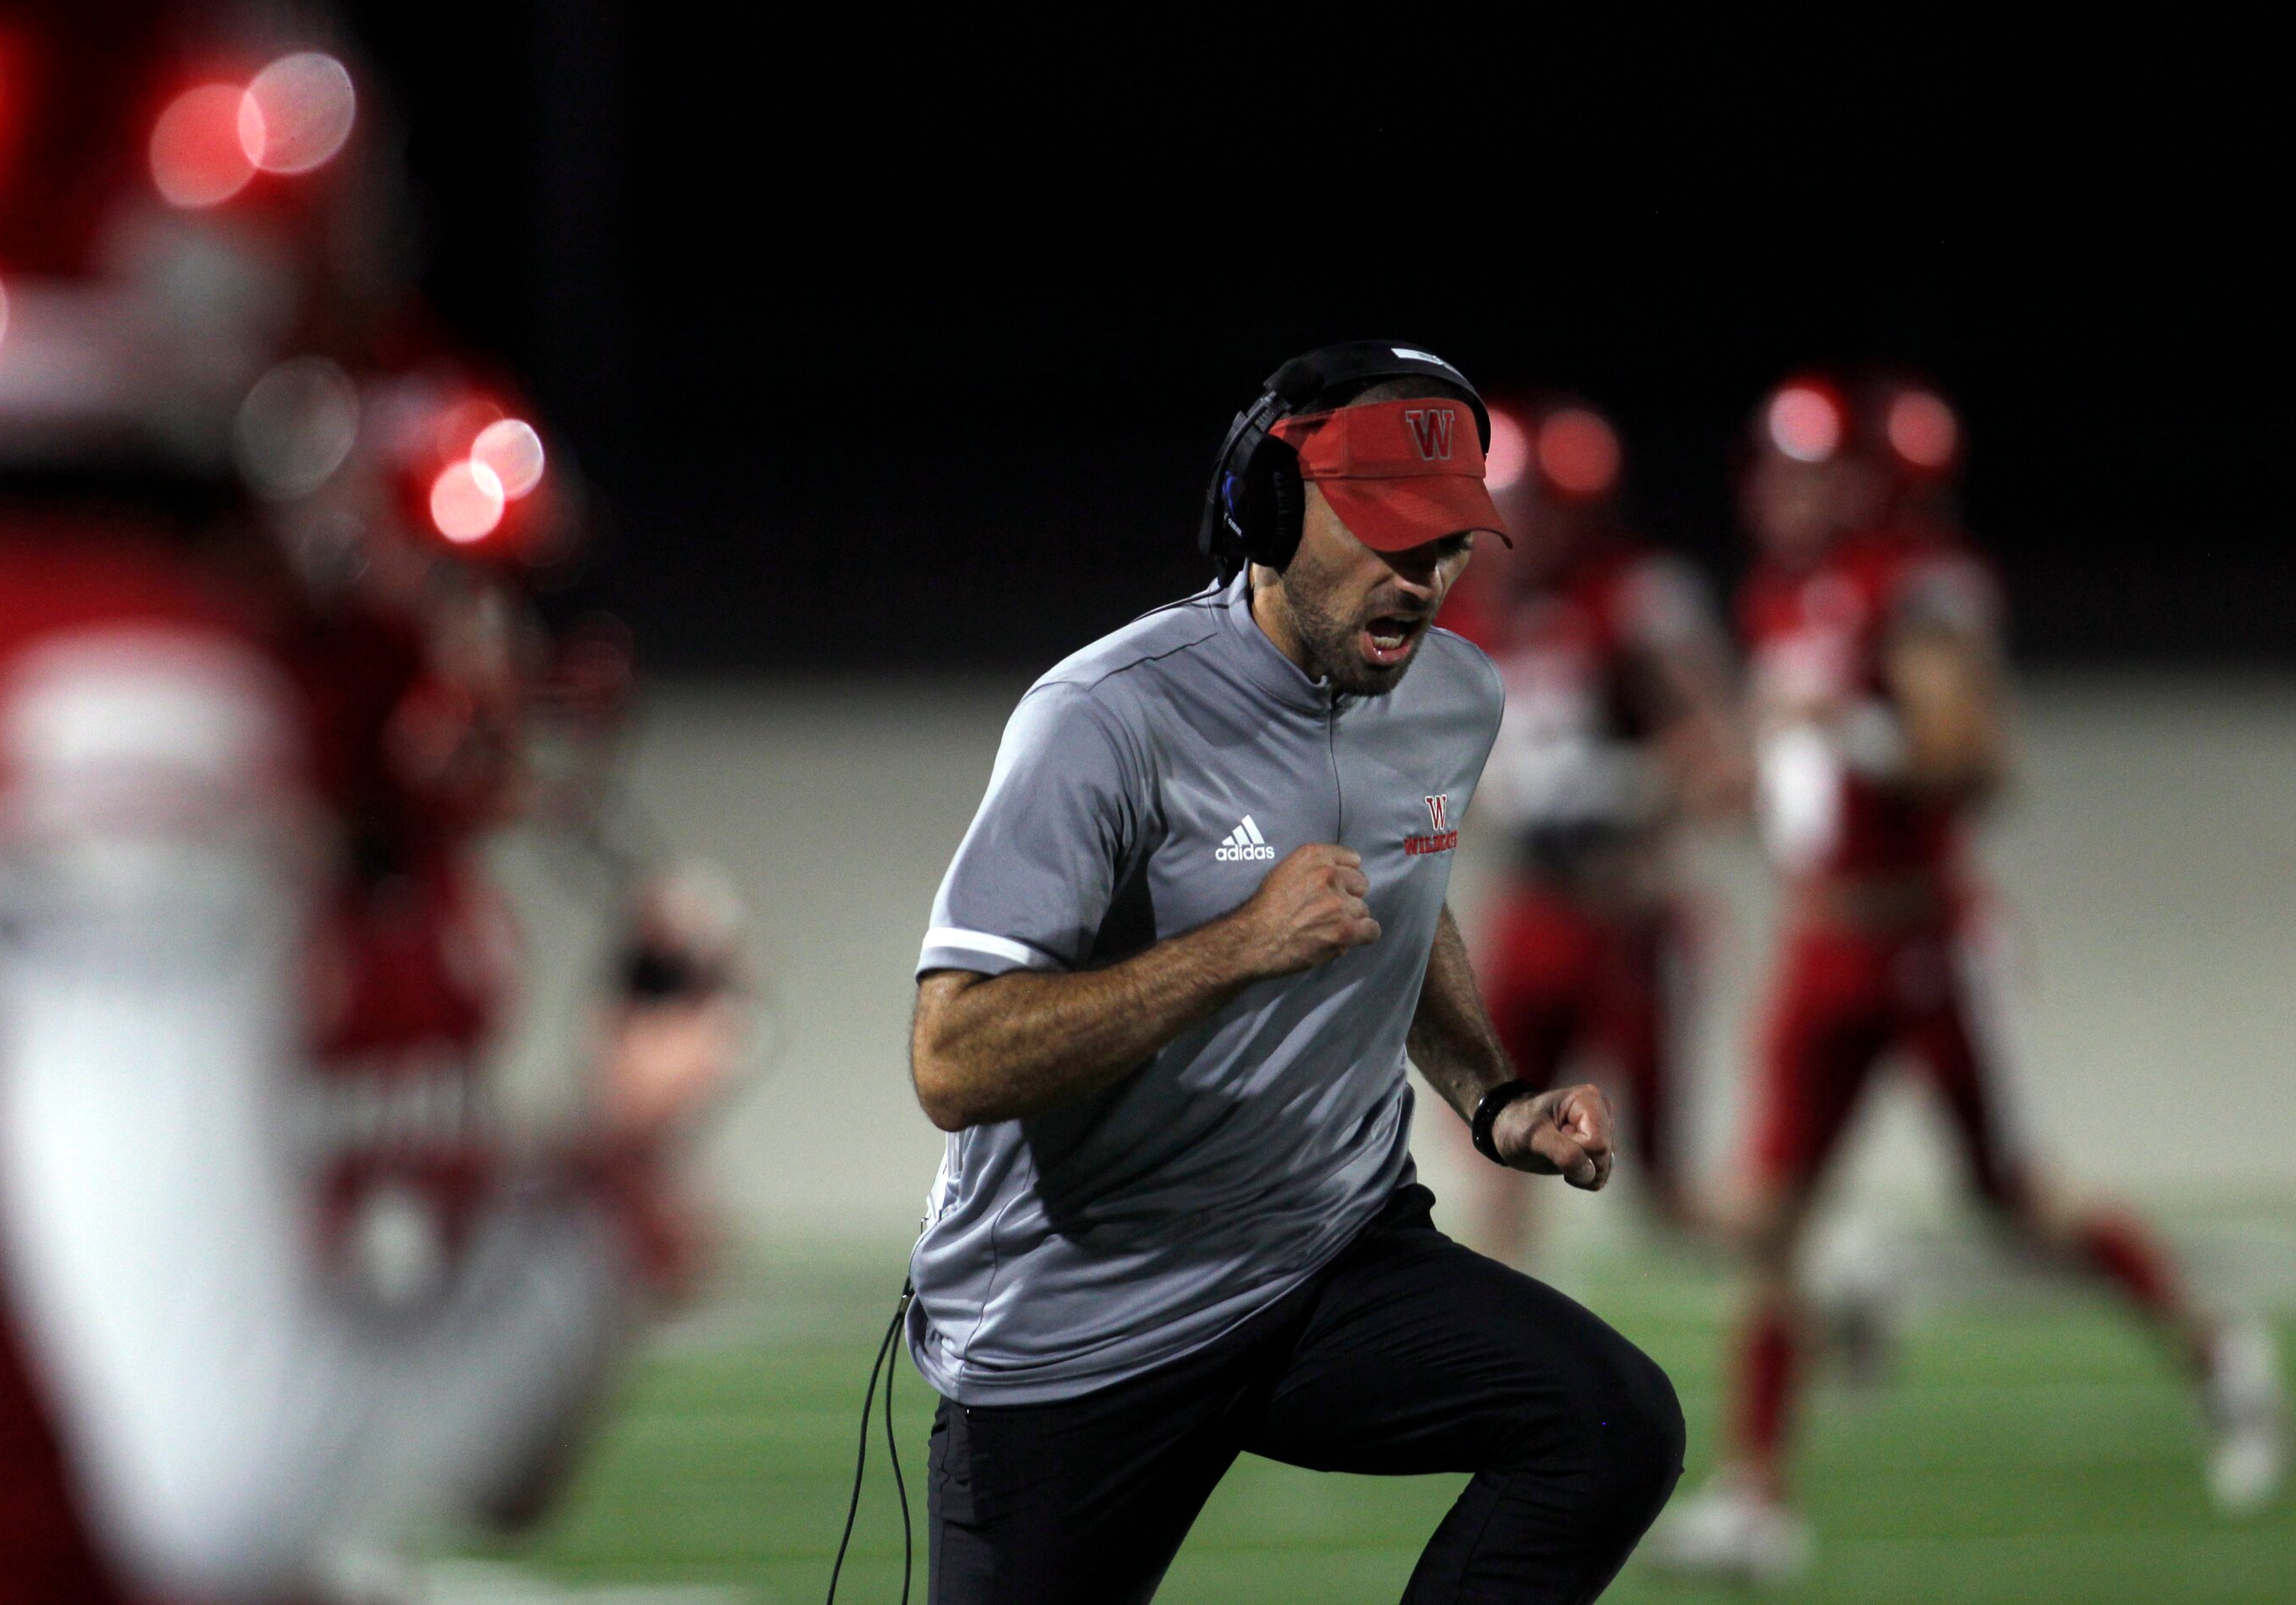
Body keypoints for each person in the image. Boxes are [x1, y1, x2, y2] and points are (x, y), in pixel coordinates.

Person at [0, 10, 738, 1598]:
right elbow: (232, 1481)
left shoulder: (415, 906)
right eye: (459, 601)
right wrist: (601, 1214)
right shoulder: (105, 693)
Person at [904, 342, 1686, 1605]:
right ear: (1267, 512)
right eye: (1388, 536)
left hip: (1324, 1258)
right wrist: (1235, 946)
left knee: (1608, 1425)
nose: (1424, 579)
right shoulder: (1104, 717)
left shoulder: (1453, 698)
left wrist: (1493, 1095)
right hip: (1081, 1323)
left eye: (1448, 545)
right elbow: (953, 1058)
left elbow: (1400, 896)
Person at [1648, 372, 2287, 1582]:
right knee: (1774, 1216)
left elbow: (1975, 764)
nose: (1781, 491)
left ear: (1862, 478)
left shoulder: (1914, 588)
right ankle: (1756, 1492)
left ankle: (2213, 1347)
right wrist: (1721, 778)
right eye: (1774, 468)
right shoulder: (1784, 587)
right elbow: (1789, 782)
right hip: (1819, 936)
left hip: (1925, 941)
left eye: (1808, 469)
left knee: (2013, 1198)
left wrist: (1849, 728)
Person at [1438, 392, 1745, 1257]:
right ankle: (1504, 1379)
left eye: (1521, 502)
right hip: (1533, 911)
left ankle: (1826, 1292)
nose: (1499, 523)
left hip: (1627, 917)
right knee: (1496, 1149)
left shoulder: (1633, 596)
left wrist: (1629, 789)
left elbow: (1721, 759)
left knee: (1662, 1194)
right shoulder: (1465, 607)